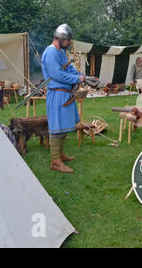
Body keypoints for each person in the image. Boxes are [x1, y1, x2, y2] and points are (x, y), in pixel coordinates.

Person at [41, 24, 99, 173]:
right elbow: (57, 75)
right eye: (67, 41)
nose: (69, 43)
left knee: (64, 125)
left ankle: (60, 154)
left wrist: (84, 76)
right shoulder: (50, 53)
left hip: (65, 94)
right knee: (57, 128)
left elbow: (69, 69)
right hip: (57, 94)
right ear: (60, 39)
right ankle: (55, 161)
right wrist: (79, 79)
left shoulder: (60, 52)